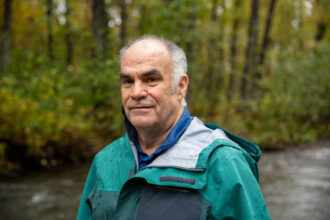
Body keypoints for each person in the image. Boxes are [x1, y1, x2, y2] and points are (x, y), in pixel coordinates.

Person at [77, 35, 271, 220]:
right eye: (128, 81)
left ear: (180, 86)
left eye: (151, 79)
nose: (136, 93)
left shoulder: (223, 163)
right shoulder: (105, 161)